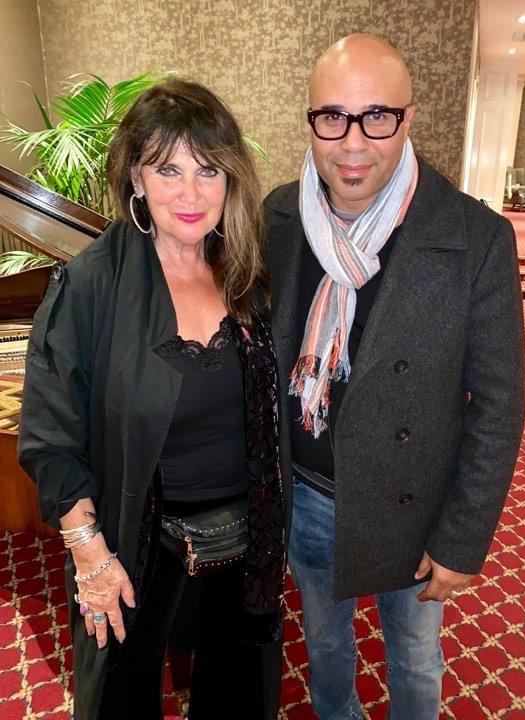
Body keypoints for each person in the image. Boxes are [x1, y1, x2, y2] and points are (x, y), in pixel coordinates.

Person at [264, 33, 525, 720]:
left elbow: (498, 405)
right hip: (307, 496)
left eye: (377, 116)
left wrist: (462, 538)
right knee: (324, 644)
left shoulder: (475, 236)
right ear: (311, 121)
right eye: (333, 116)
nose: (353, 143)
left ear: (408, 118)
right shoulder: (278, 218)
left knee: (413, 659)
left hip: (415, 509)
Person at [18, 78, 285, 720]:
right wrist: (90, 556)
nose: (191, 193)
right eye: (168, 170)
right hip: (134, 544)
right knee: (121, 697)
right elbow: (49, 438)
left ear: (230, 178)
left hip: (245, 541)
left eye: (208, 170)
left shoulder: (246, 269)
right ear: (136, 177)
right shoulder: (90, 284)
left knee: (238, 697)